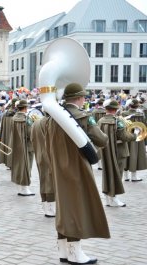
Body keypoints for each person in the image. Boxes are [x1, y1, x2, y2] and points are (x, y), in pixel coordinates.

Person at [45, 83, 110, 264]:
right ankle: (75, 253)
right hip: (76, 167)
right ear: (80, 98)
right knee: (76, 207)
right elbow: (102, 140)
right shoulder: (82, 116)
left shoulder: (53, 117)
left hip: (58, 167)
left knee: (64, 207)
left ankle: (64, 251)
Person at [98, 100, 136, 207]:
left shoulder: (100, 120)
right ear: (116, 109)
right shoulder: (118, 121)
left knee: (107, 174)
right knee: (117, 175)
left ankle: (107, 198)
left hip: (105, 151)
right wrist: (134, 135)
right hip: (119, 151)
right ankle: (114, 198)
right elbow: (124, 137)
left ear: (106, 109)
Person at [31, 113, 55, 217]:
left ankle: (46, 205)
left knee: (44, 180)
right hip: (52, 156)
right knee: (52, 182)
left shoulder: (35, 123)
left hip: (40, 156)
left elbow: (32, 139)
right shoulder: (54, 123)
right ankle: (51, 208)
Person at [10, 100, 35, 196]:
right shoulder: (27, 119)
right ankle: (25, 188)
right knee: (27, 167)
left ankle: (20, 187)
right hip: (27, 147)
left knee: (19, 166)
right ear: (25, 108)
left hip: (16, 146)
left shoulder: (14, 118)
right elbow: (30, 134)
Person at [121, 99, 146, 181]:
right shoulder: (140, 114)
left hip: (126, 136)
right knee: (135, 155)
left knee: (126, 154)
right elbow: (144, 126)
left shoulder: (124, 113)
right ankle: (134, 176)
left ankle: (126, 176)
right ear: (138, 105)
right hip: (137, 137)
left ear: (129, 105)